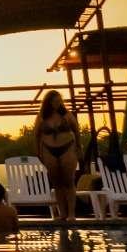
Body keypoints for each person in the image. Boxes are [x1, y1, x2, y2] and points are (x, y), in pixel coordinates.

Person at [34, 90, 81, 221]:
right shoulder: (42, 116)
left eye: (59, 101)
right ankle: (63, 213)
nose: (58, 103)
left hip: (67, 148)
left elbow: (76, 131)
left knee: (69, 181)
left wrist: (79, 147)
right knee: (56, 182)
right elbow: (36, 135)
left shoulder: (67, 115)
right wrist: (38, 151)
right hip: (48, 149)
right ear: (49, 102)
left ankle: (71, 213)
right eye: (55, 101)